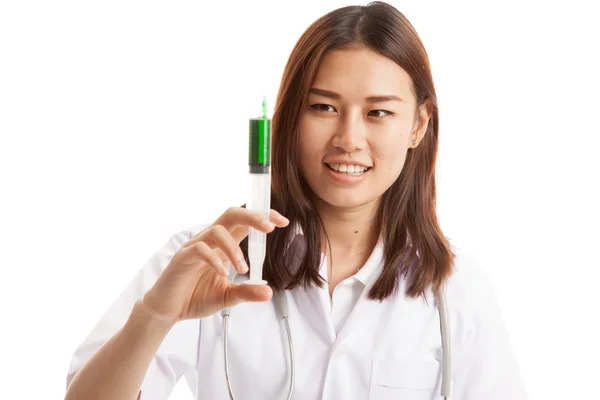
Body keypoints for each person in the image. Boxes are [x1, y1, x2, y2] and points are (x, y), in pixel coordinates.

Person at [65, 2, 527, 399]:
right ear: (290, 117)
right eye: (323, 107)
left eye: (378, 112)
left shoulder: (457, 290)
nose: (349, 139)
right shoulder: (208, 258)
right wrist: (155, 315)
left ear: (418, 126)